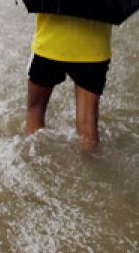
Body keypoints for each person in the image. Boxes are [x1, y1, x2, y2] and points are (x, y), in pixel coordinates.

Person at [24, 13, 112, 150]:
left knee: (36, 109)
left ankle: (34, 160)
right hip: (93, 47)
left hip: (50, 43)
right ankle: (89, 169)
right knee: (87, 125)